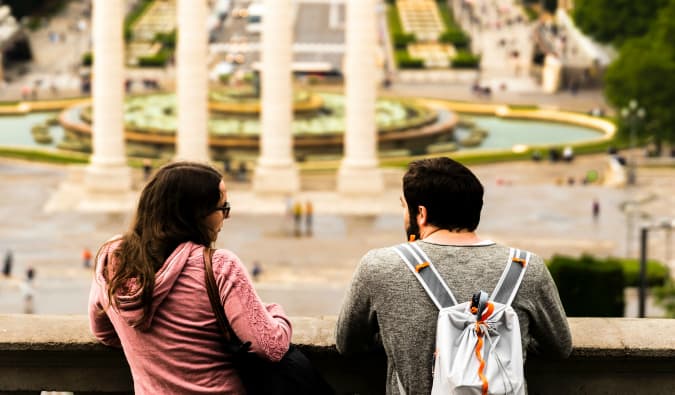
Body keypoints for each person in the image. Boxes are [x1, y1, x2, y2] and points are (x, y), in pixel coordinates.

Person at [336, 157, 572, 394]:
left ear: (421, 213)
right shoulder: (526, 268)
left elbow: (347, 344)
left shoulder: (379, 266)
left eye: (403, 206)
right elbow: (560, 346)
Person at [88, 162, 293, 394]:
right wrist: (275, 312)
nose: (228, 215)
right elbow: (271, 346)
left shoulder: (113, 258)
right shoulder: (220, 266)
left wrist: (153, 347)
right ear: (196, 215)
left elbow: (103, 331)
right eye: (222, 208)